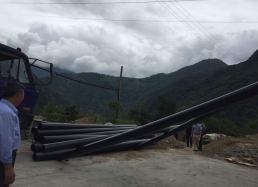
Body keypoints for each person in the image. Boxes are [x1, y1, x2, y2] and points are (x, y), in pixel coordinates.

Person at [0, 82, 24, 187]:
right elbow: (5, 141)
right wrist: (8, 167)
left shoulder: (2, 108)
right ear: (18, 94)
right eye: (23, 94)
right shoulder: (6, 113)